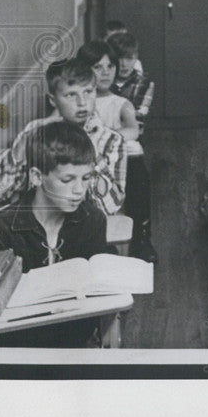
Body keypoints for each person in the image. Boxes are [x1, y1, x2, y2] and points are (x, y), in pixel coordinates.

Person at [0, 120, 113, 347]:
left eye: (86, 178)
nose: (79, 190)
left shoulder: (93, 220)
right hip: (16, 348)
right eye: (67, 180)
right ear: (37, 176)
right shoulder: (0, 229)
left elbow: (95, 296)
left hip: (74, 342)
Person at [0, 59, 127, 217]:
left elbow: (110, 207)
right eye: (71, 94)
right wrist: (18, 154)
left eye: (88, 91)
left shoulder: (111, 140)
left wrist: (93, 153)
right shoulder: (35, 131)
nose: (82, 103)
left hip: (84, 229)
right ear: (53, 100)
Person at [77, 40, 157, 263]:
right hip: (88, 157)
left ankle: (142, 237)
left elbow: (133, 130)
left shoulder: (121, 103)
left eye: (110, 67)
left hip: (114, 155)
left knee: (137, 170)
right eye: (98, 67)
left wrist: (106, 134)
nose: (106, 73)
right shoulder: (80, 100)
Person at [108, 32, 155, 129]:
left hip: (131, 135)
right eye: (118, 59)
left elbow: (139, 116)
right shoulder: (105, 81)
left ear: (136, 57)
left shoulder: (144, 83)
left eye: (129, 58)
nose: (124, 64)